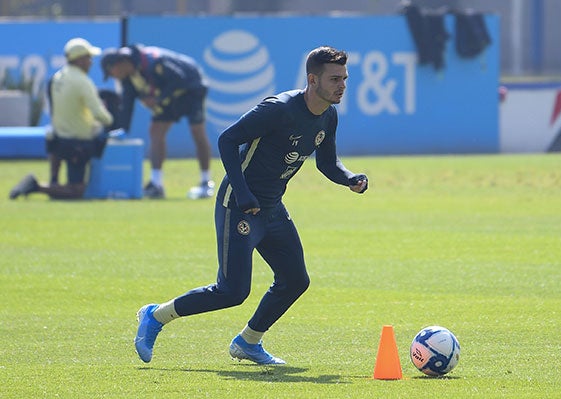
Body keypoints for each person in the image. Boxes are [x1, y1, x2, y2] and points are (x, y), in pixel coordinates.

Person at [133, 46, 369, 365]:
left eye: (345, 78)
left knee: (295, 280)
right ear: (313, 80)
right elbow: (227, 140)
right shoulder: (279, 109)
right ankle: (156, 316)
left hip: (272, 209)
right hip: (239, 205)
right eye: (334, 79)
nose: (342, 85)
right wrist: (243, 194)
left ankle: (248, 342)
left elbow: (327, 163)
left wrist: (350, 178)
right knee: (232, 291)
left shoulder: (328, 114)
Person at [101, 44, 214, 199]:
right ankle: (156, 184)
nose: (113, 77)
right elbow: (127, 105)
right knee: (155, 131)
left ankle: (205, 182)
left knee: (197, 131)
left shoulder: (153, 62)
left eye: (111, 72)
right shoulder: (128, 79)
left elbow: (179, 79)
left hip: (192, 89)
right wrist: (123, 130)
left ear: (119, 64)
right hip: (168, 95)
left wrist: (158, 99)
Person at [9, 38, 114, 200]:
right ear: (79, 60)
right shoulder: (83, 82)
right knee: (77, 190)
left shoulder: (58, 77)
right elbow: (100, 115)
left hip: (57, 139)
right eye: (88, 58)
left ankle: (53, 183)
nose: (91, 62)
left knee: (64, 183)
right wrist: (109, 118)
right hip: (78, 142)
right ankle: (36, 186)